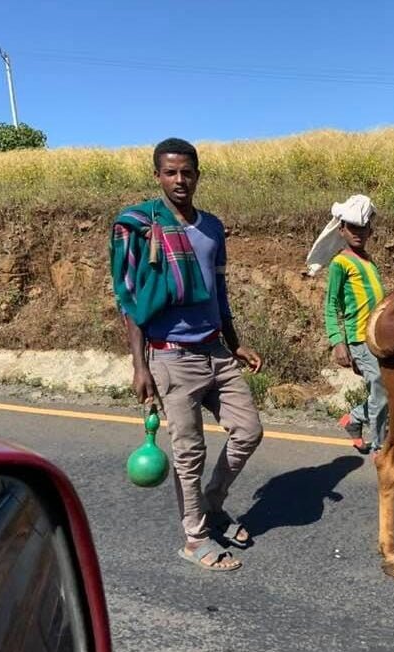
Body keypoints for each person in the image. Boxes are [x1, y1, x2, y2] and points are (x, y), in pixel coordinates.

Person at [109, 137, 264, 572]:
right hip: (170, 355)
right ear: (158, 176)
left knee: (248, 431)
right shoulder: (140, 226)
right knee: (188, 453)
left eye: (187, 172)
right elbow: (131, 299)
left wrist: (234, 341)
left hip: (215, 349)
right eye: (171, 172)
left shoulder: (212, 227)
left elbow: (220, 290)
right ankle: (195, 538)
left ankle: (213, 504)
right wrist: (139, 365)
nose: (180, 180)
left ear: (198, 175)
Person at [318, 195, 387, 454]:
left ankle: (354, 419)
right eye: (352, 227)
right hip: (359, 338)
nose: (358, 233)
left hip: (379, 338)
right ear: (341, 230)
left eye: (363, 227)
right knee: (381, 385)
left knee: (385, 388)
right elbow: (330, 304)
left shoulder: (369, 262)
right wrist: (338, 341)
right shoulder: (340, 262)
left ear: (371, 230)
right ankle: (381, 445)